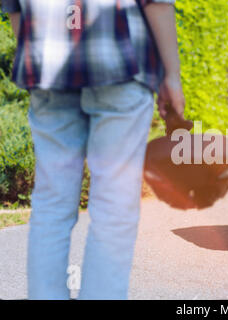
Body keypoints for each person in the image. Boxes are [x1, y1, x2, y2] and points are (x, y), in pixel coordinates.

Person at [2, 0, 185, 299]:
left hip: (47, 65)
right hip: (120, 60)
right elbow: (158, 4)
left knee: (51, 203)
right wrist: (171, 76)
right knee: (114, 206)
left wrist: (37, 62)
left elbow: (14, 9)